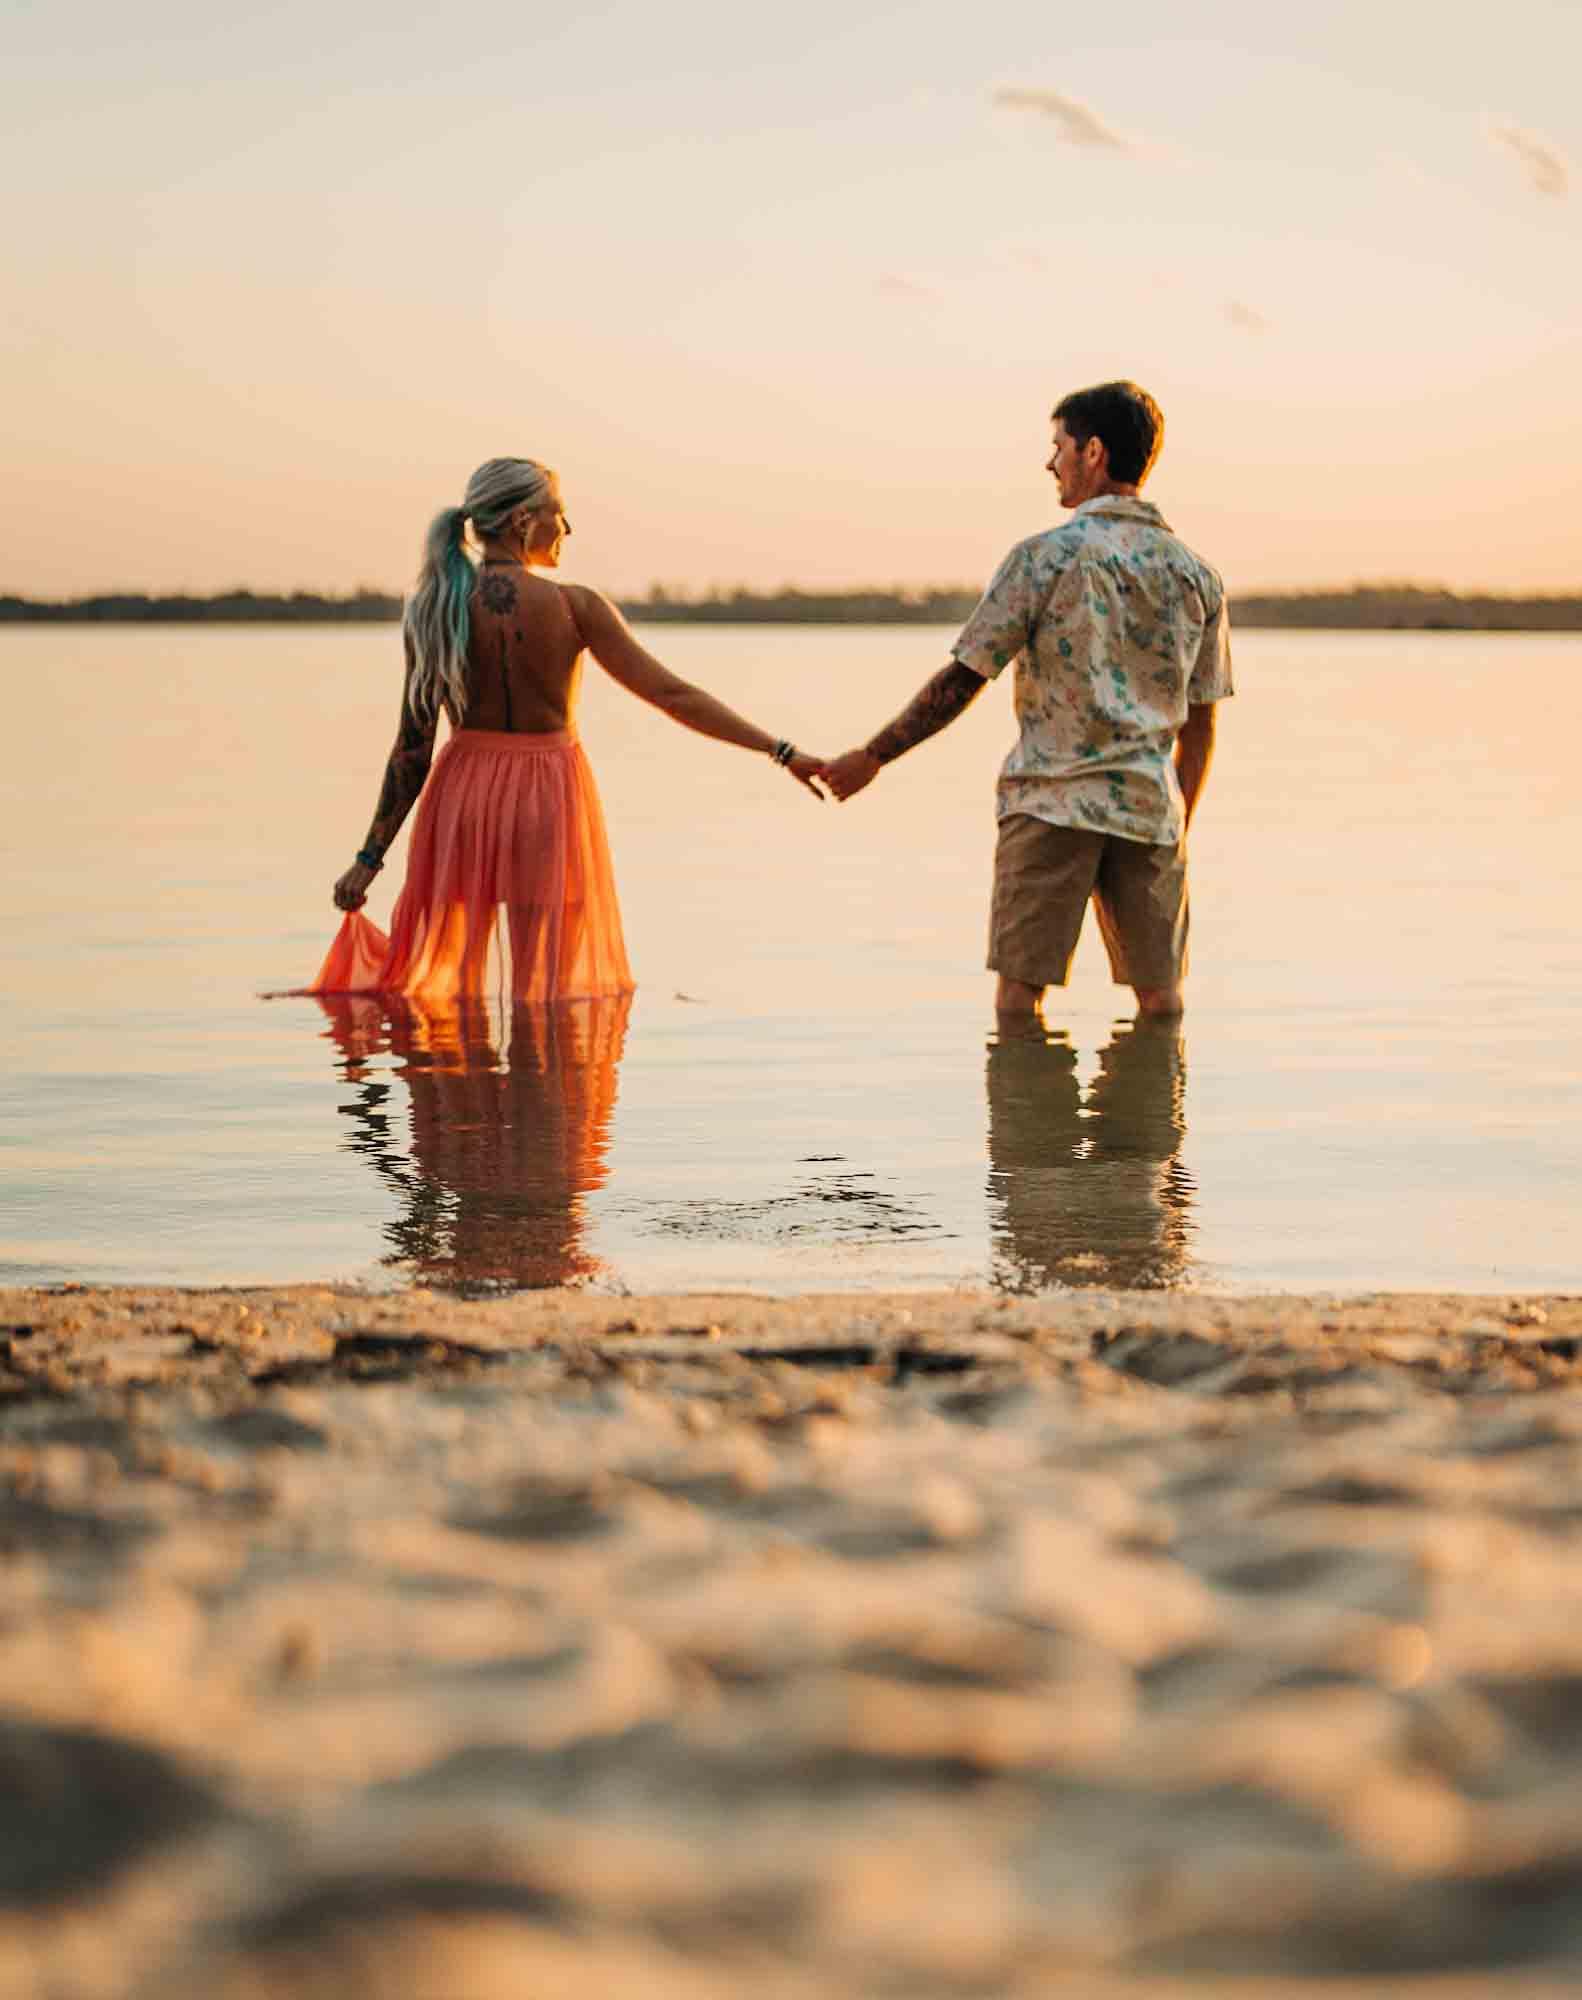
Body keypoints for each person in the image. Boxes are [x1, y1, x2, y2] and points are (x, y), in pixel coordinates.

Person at [305, 456, 825, 1005]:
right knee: (540, 994)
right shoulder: (573, 606)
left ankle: (454, 1091)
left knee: (456, 994)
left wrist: (368, 861)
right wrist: (780, 750)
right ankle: (536, 1084)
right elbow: (674, 696)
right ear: (523, 521)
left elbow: (412, 750)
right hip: (545, 801)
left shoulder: (435, 608)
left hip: (461, 804)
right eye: (560, 513)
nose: (568, 529)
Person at [823, 382, 1232, 1020]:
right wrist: (1177, 819)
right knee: (1161, 1004)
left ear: (1092, 452)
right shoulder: (1195, 574)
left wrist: (873, 757)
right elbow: (1201, 726)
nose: (1050, 464)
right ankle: (1145, 1120)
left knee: (1020, 1000)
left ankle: (1029, 1119)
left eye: (1058, 446)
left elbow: (963, 680)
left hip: (1051, 803)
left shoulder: (1045, 558)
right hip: (1151, 810)